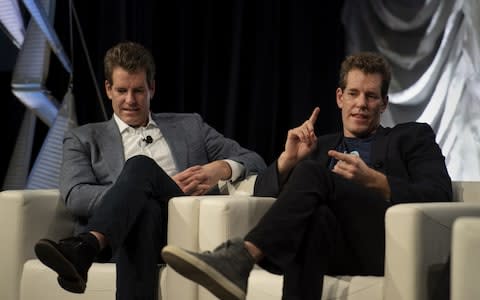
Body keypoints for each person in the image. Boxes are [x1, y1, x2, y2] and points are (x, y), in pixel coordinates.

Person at [161, 51, 453, 300]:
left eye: (371, 96)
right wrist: (287, 161)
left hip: (385, 244)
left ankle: (241, 257)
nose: (361, 103)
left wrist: (375, 181)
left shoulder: (412, 136)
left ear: (384, 103)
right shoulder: (317, 146)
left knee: (313, 174)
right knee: (315, 220)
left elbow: (439, 193)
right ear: (340, 97)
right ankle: (240, 260)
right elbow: (262, 195)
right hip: (330, 245)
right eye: (353, 93)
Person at [33, 41, 266, 300]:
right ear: (108, 89)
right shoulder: (84, 138)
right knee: (144, 203)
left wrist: (221, 168)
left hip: (180, 226)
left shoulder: (191, 126)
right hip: (126, 233)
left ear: (152, 88)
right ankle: (94, 241)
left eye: (139, 91)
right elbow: (76, 195)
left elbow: (254, 160)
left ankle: (87, 246)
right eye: (122, 90)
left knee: (140, 166)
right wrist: (138, 192)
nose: (130, 100)